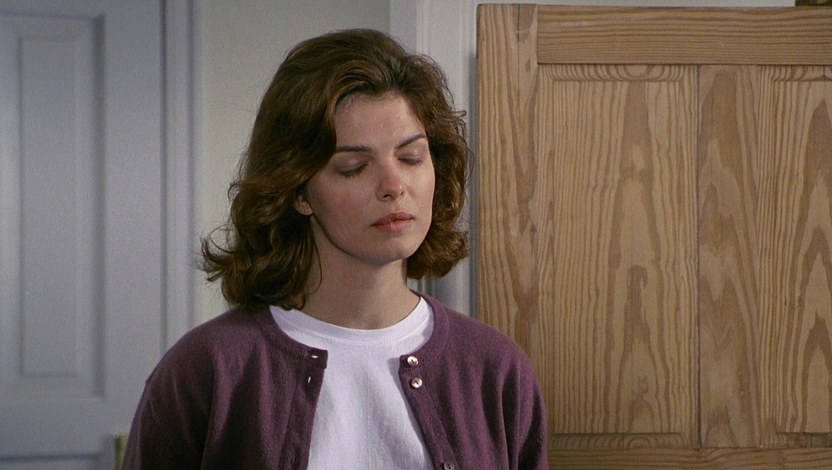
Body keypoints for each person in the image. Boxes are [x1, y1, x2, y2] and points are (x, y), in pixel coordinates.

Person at [122, 28, 547, 469]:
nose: (394, 186)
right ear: (298, 191)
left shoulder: (496, 370)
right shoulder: (206, 371)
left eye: (411, 157)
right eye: (353, 167)